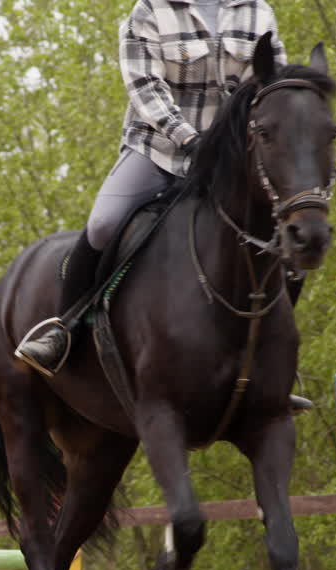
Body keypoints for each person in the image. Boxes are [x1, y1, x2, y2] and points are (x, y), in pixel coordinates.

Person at [15, 0, 291, 377]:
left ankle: (272, 358)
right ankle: (64, 329)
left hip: (229, 159)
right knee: (103, 224)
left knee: (289, 229)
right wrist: (189, 139)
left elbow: (270, 86)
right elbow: (145, 87)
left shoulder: (258, 11)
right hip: (158, 149)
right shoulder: (149, 10)